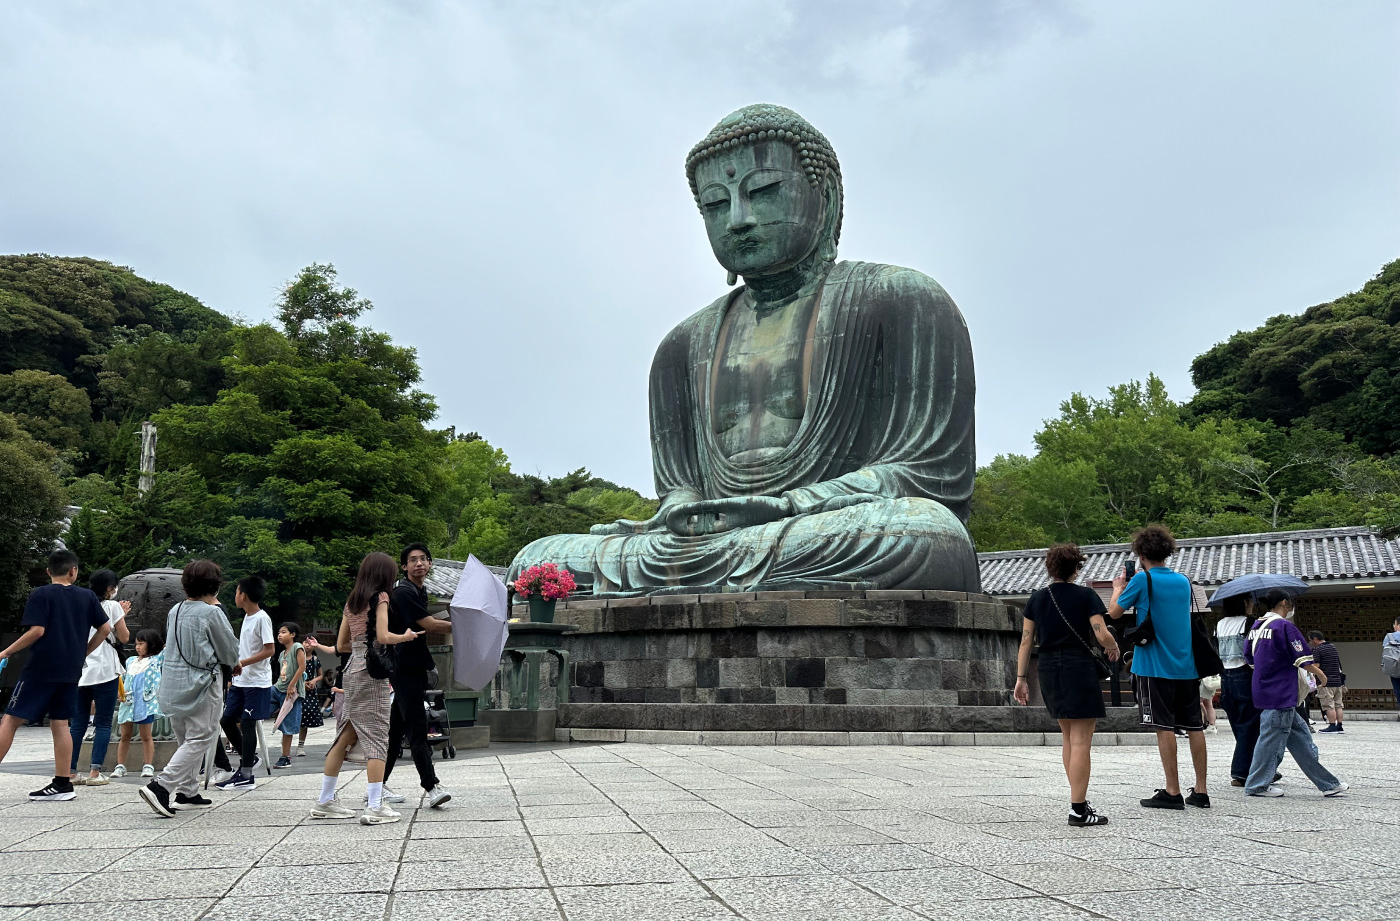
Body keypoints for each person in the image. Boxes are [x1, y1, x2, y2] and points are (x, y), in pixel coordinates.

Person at [306, 552, 423, 825]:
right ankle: (375, 805)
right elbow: (383, 636)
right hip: (373, 673)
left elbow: (341, 645)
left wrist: (363, 644)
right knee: (377, 736)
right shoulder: (381, 597)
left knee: (346, 734)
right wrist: (404, 636)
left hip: (352, 670)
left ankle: (325, 800)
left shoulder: (352, 601)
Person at [1013, 543, 1120, 827]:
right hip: (1077, 667)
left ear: (1050, 567)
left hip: (1048, 669)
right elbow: (1100, 632)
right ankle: (1078, 809)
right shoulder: (1086, 596)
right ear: (1076, 567)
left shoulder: (1037, 598)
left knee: (1067, 736)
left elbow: (1026, 641)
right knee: (1082, 739)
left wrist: (1021, 679)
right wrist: (1114, 646)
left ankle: (1078, 801)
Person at [1106, 525, 1210, 811]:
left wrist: (1118, 589)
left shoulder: (1142, 580)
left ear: (1140, 553)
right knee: (1194, 726)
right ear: (1167, 552)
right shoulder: (1183, 581)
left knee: (1163, 726)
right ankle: (1200, 791)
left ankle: (1172, 790)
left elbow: (1114, 613)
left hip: (1153, 665)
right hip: (1186, 665)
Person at [0, 549, 112, 801]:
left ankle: (62, 784)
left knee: (10, 719)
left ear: (49, 571)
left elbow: (37, 630)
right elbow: (105, 628)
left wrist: (5, 652)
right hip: (71, 669)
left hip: (42, 666)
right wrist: (83, 652)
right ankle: (62, 783)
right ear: (74, 571)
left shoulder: (41, 594)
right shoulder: (87, 596)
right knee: (60, 722)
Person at [138, 560, 239, 816]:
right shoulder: (212, 612)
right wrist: (233, 663)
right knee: (202, 737)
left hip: (173, 684)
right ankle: (162, 786)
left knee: (185, 738)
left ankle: (188, 791)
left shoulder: (176, 610)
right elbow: (229, 651)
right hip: (202, 684)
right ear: (214, 585)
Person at [1243, 589, 1346, 797]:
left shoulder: (1256, 626)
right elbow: (1302, 657)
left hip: (1265, 688)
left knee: (1300, 739)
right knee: (1270, 741)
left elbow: (1249, 657)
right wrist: (1320, 675)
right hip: (1281, 691)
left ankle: (1328, 784)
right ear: (1284, 603)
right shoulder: (1283, 625)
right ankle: (1257, 784)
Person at [383, 543, 453, 809]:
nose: (419, 564)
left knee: (396, 730)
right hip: (404, 667)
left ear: (430, 564)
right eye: (413, 560)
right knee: (417, 728)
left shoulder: (418, 591)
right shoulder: (403, 592)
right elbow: (430, 625)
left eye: (424, 559)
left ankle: (376, 786)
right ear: (404, 566)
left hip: (411, 666)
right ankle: (431, 785)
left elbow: (429, 621)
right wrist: (468, 624)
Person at [68, 568, 131, 786]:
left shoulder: (80, 605)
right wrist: (121, 615)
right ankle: (95, 772)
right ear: (108, 589)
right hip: (105, 670)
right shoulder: (112, 606)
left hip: (81, 670)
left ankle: (71, 772)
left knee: (77, 724)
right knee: (103, 723)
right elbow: (123, 636)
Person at [215, 575, 275, 791]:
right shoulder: (247, 619)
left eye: (237, 591)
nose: (235, 595)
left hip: (257, 682)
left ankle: (246, 774)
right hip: (241, 681)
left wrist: (242, 662)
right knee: (227, 720)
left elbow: (270, 649)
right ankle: (249, 757)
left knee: (248, 724)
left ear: (244, 595)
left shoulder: (262, 618)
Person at [1215, 596, 1276, 788]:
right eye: (1249, 601)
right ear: (1243, 603)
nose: (1251, 605)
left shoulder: (1219, 625)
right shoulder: (1251, 623)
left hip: (1226, 678)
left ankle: (1256, 767)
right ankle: (1242, 772)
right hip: (1245, 676)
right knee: (1252, 725)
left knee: (1240, 726)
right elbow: (1257, 651)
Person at [112, 629, 164, 778]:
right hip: (128, 703)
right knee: (125, 735)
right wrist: (120, 693)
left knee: (146, 735)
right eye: (136, 644)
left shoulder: (156, 660)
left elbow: (168, 650)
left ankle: (148, 765)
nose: (138, 647)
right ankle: (120, 765)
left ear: (151, 644)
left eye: (141, 644)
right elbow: (123, 679)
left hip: (145, 703)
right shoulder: (130, 661)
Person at [270, 622, 306, 768]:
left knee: (288, 727)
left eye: (284, 632)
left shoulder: (297, 647)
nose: (280, 635)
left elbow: (302, 667)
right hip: (278, 688)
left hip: (292, 693)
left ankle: (285, 757)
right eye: (279, 632)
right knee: (256, 709)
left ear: (293, 635)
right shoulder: (281, 654)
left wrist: (292, 685)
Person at [1306, 631, 1345, 733]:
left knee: (1328, 705)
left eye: (1310, 640)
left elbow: (1317, 665)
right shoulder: (1333, 647)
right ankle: (1339, 726)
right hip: (1337, 681)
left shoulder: (1317, 649)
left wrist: (1307, 668)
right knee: (1338, 705)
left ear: (1315, 639)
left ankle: (1332, 725)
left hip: (1325, 682)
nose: (1310, 643)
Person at [297, 644, 325, 757]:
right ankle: (286, 741)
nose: (307, 645)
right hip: (297, 689)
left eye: (310, 643)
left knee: (306, 718)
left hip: (310, 691)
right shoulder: (297, 657)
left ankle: (300, 746)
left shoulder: (315, 660)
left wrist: (314, 681)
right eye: (305, 642)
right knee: (293, 715)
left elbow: (320, 675)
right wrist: (301, 683)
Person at [1384, 616, 1400, 709]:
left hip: (1395, 667)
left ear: (1398, 625)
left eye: (1395, 624)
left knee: (1398, 690)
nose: (1393, 626)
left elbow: (1385, 652)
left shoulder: (1389, 637)